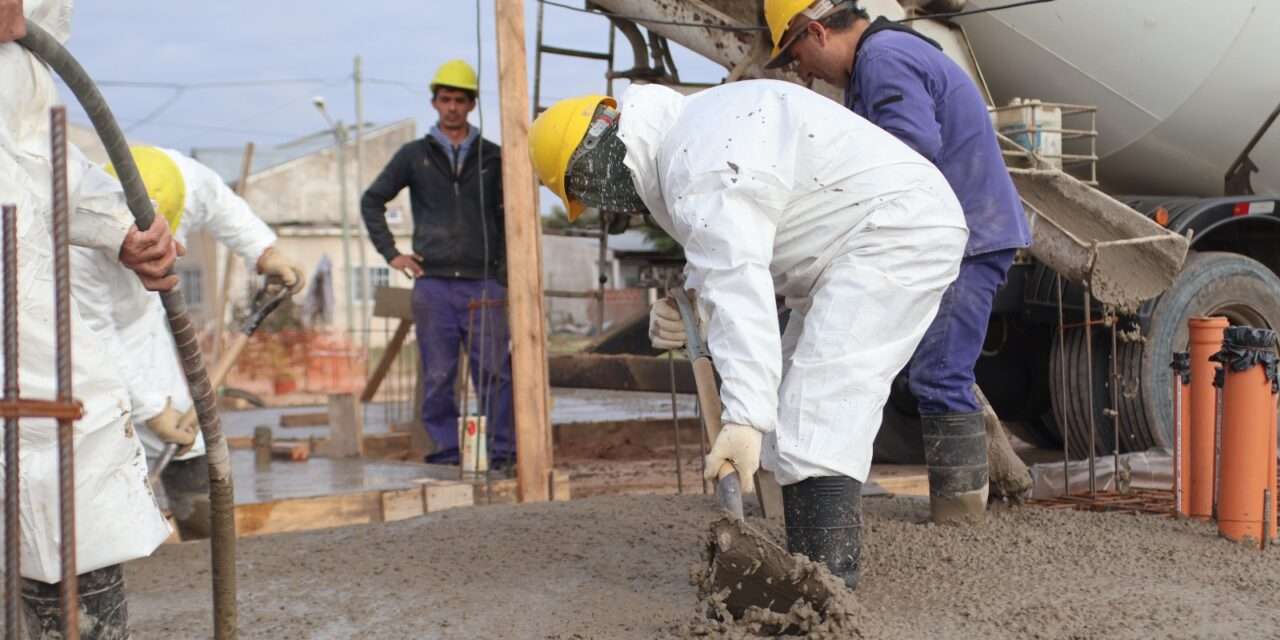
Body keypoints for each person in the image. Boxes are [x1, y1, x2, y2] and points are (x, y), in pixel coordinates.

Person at [530, 80, 967, 588]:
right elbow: (719, 263)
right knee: (788, 416)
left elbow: (737, 278)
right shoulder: (685, 142)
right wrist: (689, 308)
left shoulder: (698, 160)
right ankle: (807, 560)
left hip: (895, 232)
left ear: (596, 153)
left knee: (819, 408)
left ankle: (828, 591)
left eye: (585, 188)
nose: (602, 201)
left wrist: (743, 418)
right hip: (855, 245)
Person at [764, 0, 1032, 524]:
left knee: (939, 374)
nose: (803, 74)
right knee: (937, 371)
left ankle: (962, 517)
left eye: (797, 58)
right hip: (959, 230)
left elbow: (908, 151)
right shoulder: (877, 63)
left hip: (965, 236)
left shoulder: (883, 58)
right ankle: (990, 487)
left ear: (817, 32)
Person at [0, 0, 180, 634]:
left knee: (63, 467)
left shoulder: (21, 51)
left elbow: (22, 154)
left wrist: (118, 227)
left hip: (42, 372)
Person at [72, 145, 304, 535]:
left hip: (143, 322)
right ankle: (114, 546)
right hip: (81, 336)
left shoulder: (180, 177)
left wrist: (266, 254)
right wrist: (148, 409)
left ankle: (200, 543)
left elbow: (224, 207)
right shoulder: (82, 230)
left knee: (186, 434)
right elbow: (97, 334)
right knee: (109, 442)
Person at [360, 59, 514, 467]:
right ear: (434, 103)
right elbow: (372, 200)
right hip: (434, 285)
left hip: (484, 283)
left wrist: (505, 274)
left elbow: (513, 214)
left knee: (496, 375)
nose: (451, 107)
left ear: (471, 104)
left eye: (459, 100)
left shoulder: (494, 157)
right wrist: (392, 254)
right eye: (445, 99)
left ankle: (502, 454)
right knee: (438, 375)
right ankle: (446, 453)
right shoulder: (415, 156)